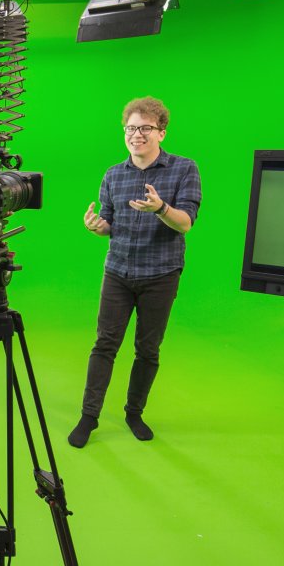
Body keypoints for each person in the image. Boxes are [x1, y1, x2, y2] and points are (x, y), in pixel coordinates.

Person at [68, 96, 201, 447]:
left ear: (161, 132)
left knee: (148, 348)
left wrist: (161, 208)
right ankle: (89, 416)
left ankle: (133, 412)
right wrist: (98, 226)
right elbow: (110, 223)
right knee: (104, 344)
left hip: (161, 274)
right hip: (118, 272)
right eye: (130, 128)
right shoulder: (114, 174)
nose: (136, 135)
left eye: (145, 128)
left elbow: (185, 223)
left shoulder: (184, 169)